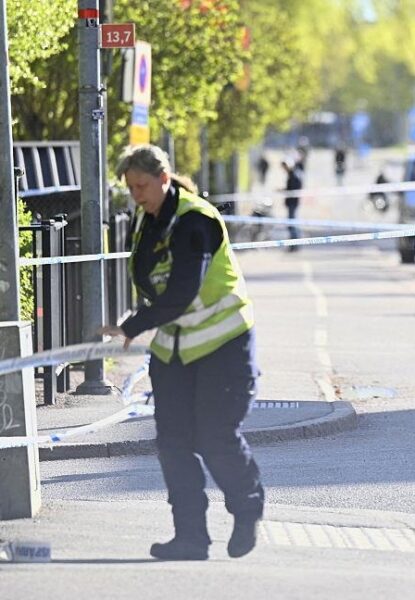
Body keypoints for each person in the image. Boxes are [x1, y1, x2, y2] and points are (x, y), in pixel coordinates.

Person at [99, 144, 264, 560]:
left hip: (224, 345)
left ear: (163, 179)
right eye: (130, 188)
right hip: (174, 350)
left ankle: (247, 507)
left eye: (141, 186)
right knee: (173, 442)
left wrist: (131, 325)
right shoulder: (149, 217)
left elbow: (183, 290)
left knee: (214, 436)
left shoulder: (195, 220)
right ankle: (190, 538)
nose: (136, 195)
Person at [281, 155, 303, 252]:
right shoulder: (292, 174)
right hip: (292, 203)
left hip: (292, 203)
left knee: (292, 224)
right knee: (291, 224)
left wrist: (285, 190)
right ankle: (293, 244)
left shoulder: (294, 175)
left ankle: (294, 244)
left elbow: (294, 189)